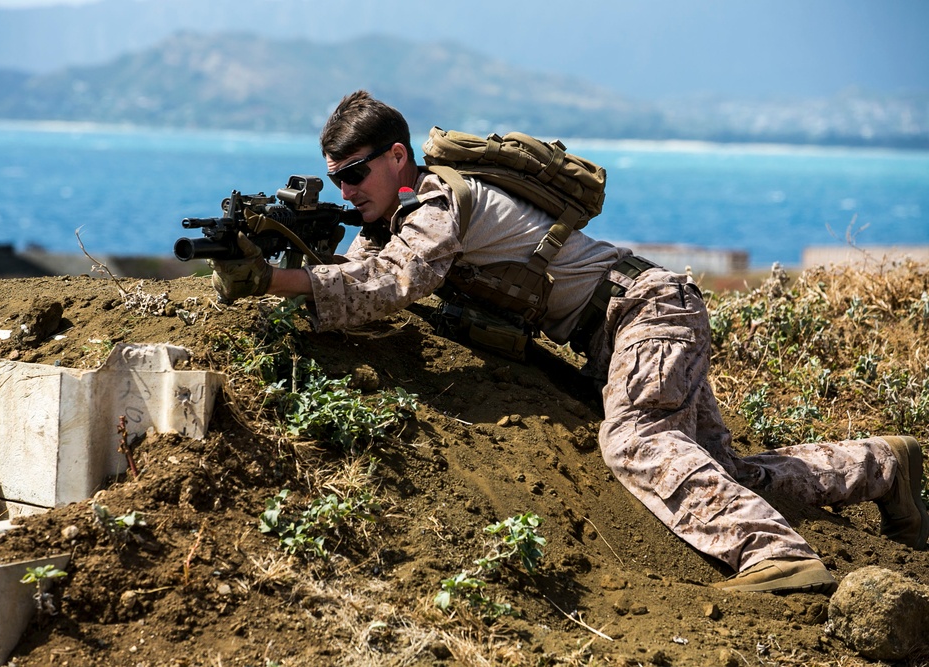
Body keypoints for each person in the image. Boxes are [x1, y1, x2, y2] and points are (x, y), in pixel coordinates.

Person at [209, 90, 929, 593]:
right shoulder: (406, 215)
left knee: (635, 443)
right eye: (336, 178)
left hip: (643, 312)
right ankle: (880, 465)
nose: (347, 188)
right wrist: (287, 263)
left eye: (355, 173)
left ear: (397, 156)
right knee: (718, 472)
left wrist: (276, 281)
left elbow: (396, 282)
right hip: (636, 322)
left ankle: (777, 554)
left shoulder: (435, 200)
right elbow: (367, 277)